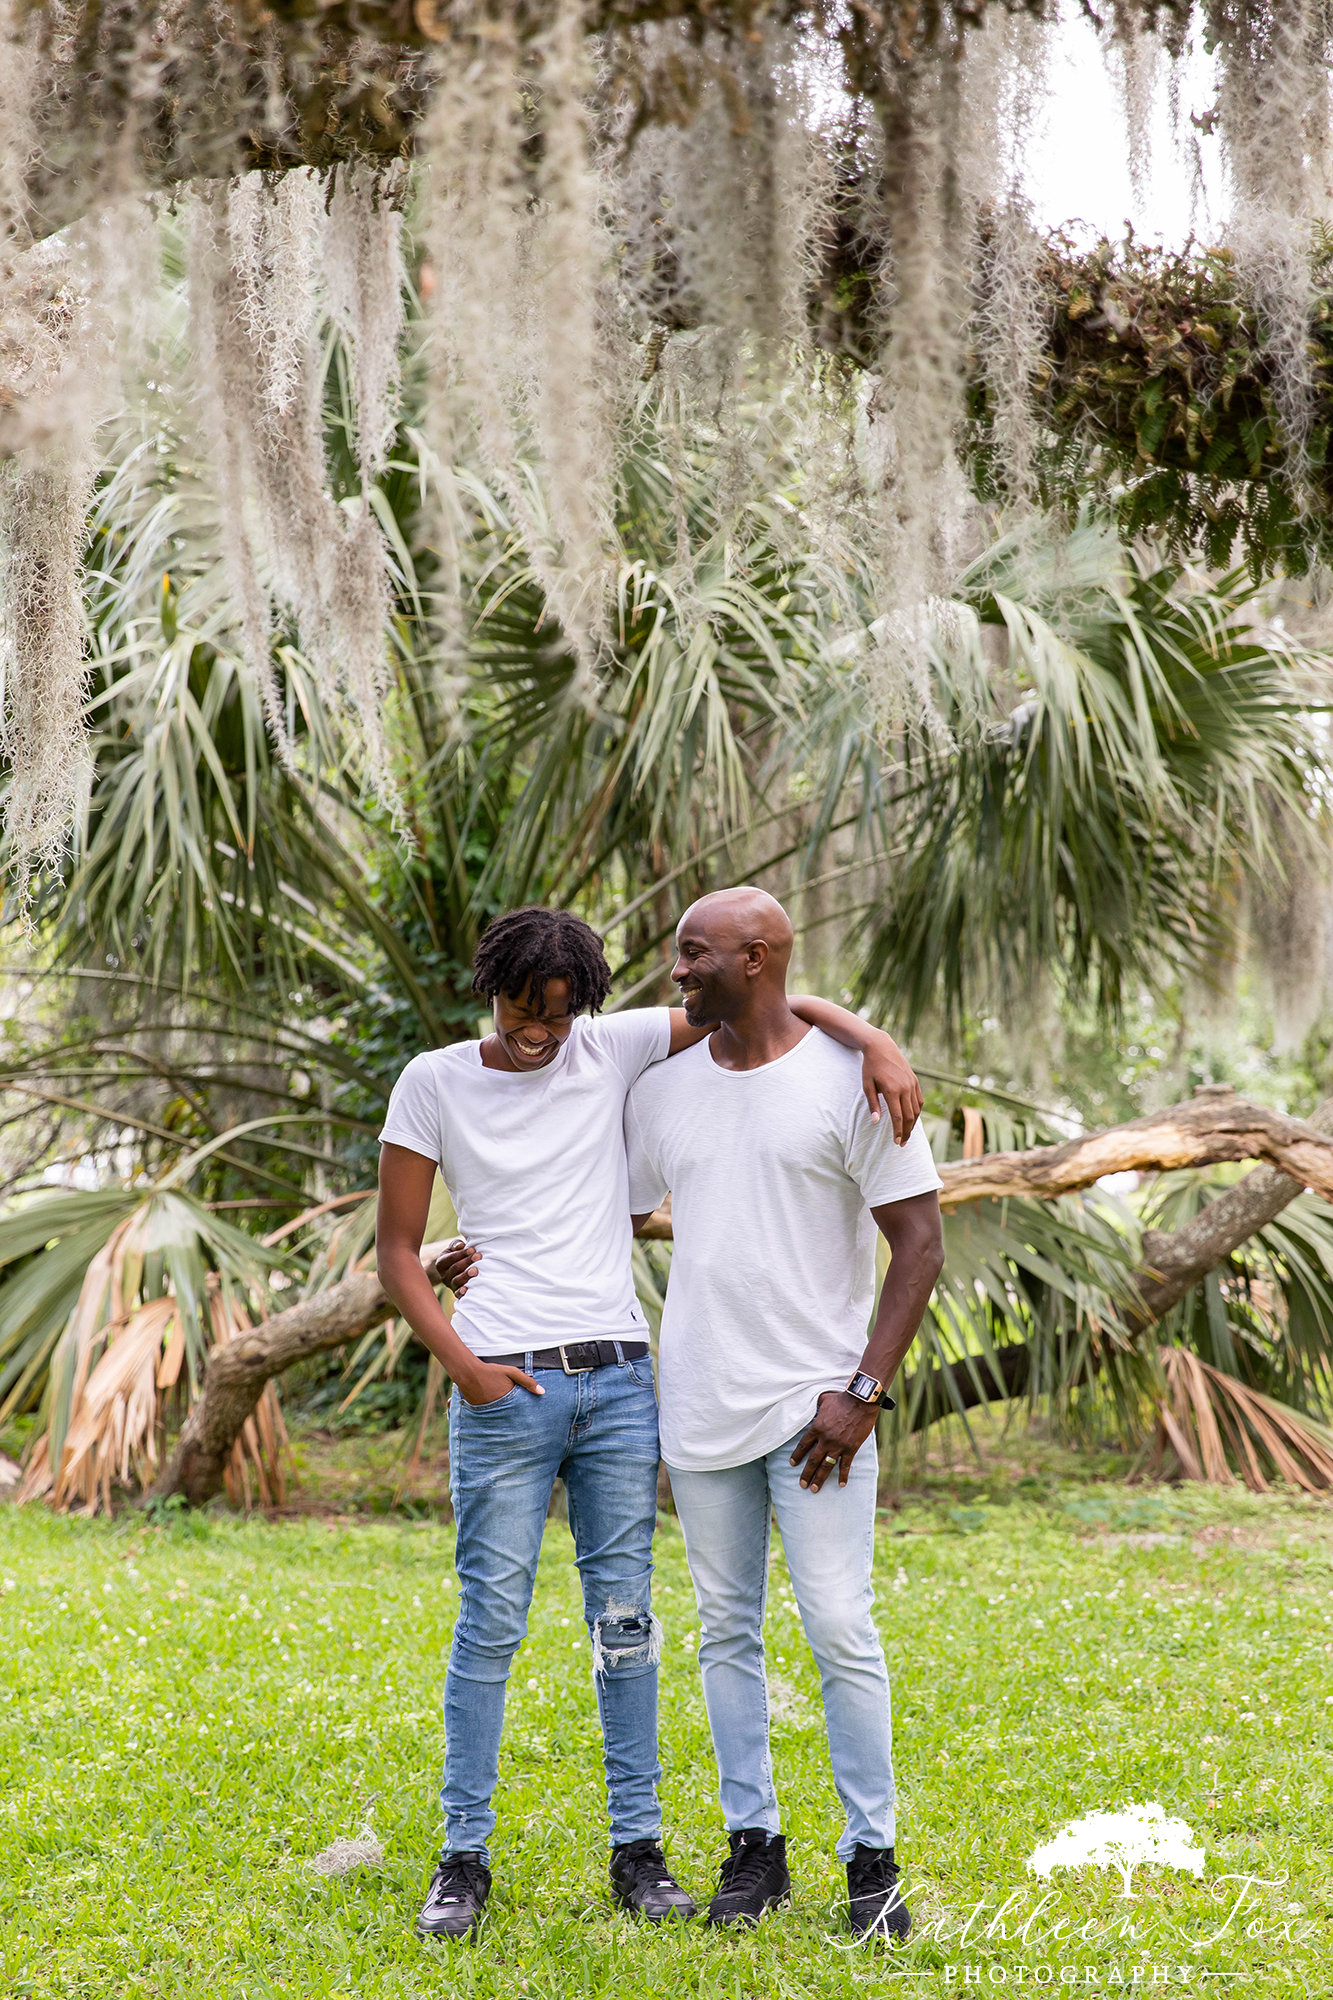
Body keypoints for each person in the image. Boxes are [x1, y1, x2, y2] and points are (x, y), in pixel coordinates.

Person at [376, 903, 923, 1941]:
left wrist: (874, 1039)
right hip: (505, 1386)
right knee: (489, 1622)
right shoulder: (432, 1080)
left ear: (581, 1006)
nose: (539, 1033)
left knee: (627, 1625)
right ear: (489, 992)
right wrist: (466, 1365)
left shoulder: (612, 1044)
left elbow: (760, 1005)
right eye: (521, 1011)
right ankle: (462, 1857)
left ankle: (641, 1852)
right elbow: (398, 1245)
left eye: (558, 1014)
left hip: (622, 1383)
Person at [622, 887, 945, 1942]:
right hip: (699, 1399)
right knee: (724, 1631)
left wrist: (862, 1393)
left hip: (819, 1412)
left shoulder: (853, 1082)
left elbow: (920, 1245)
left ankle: (872, 1859)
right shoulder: (664, 1089)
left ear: (756, 958)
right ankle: (753, 1847)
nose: (677, 971)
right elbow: (610, 1204)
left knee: (839, 1624)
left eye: (694, 954)